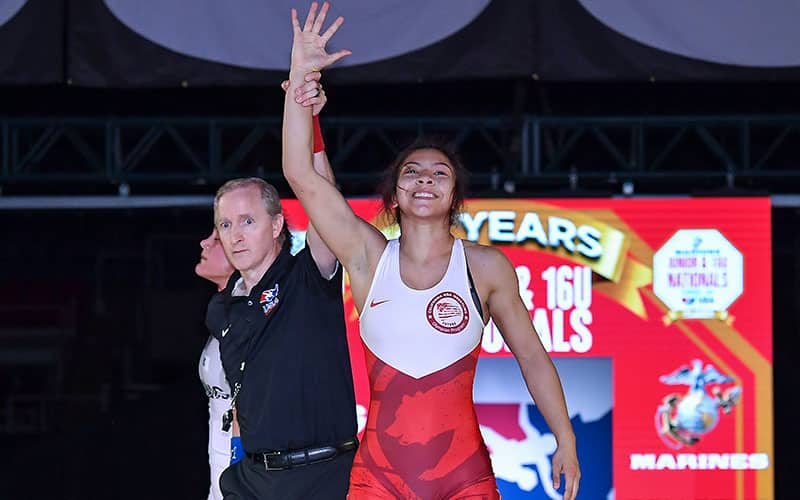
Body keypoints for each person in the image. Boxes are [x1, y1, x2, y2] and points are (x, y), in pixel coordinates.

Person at [281, 3, 581, 499]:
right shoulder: (367, 256)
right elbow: (300, 174)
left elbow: (531, 356)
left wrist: (565, 439)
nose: (425, 179)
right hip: (378, 481)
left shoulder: (485, 267)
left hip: (464, 481)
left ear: (455, 196)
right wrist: (299, 81)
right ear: (395, 195)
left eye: (439, 173)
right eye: (412, 172)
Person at [210, 71, 358, 499]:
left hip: (325, 476)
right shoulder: (221, 308)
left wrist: (308, 121)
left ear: (277, 225)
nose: (235, 235)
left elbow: (325, 201)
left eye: (247, 221)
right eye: (225, 225)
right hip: (254, 481)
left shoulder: (308, 273)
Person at [195, 228, 236, 500]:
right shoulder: (221, 311)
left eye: (217, 240)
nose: (204, 243)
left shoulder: (253, 319)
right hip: (219, 482)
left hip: (244, 483)